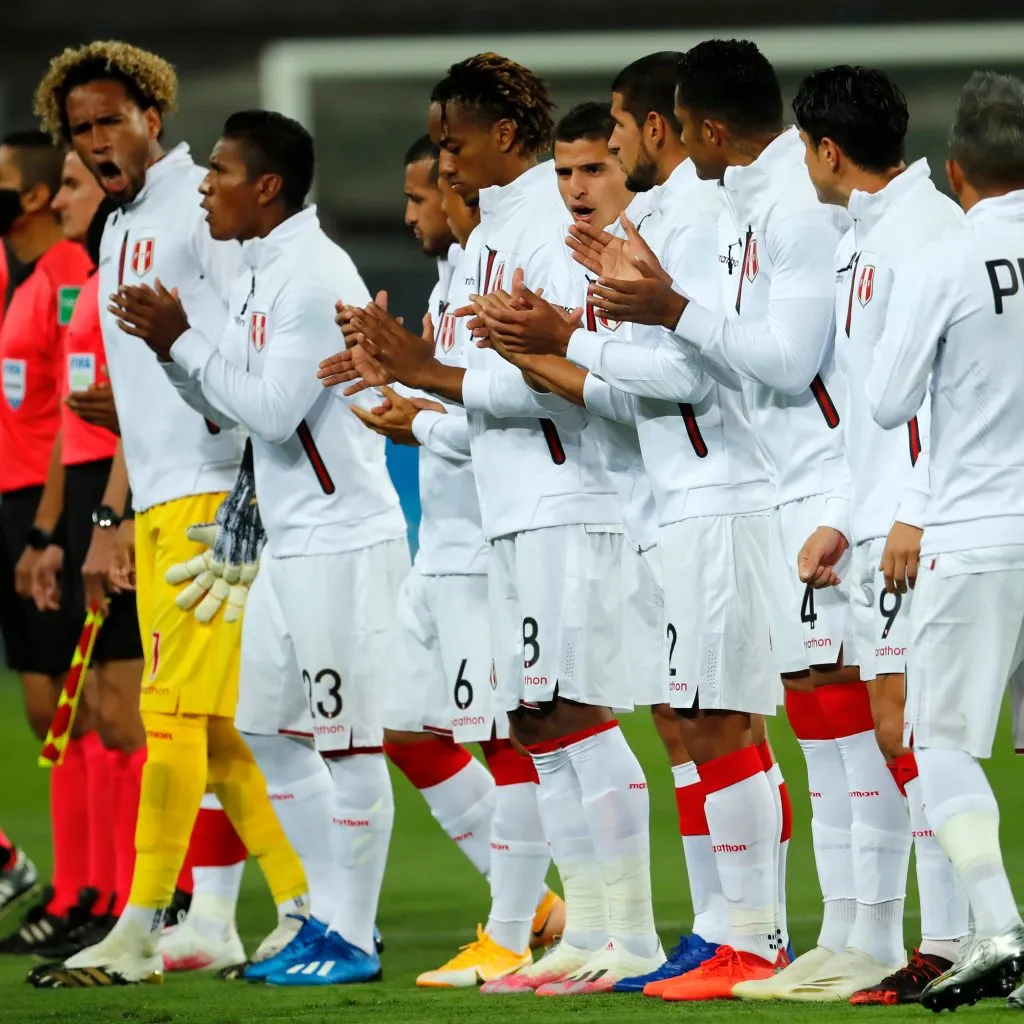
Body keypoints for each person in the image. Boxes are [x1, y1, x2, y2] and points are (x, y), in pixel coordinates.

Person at [581, 40, 906, 1000]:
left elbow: (787, 357)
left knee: (850, 721)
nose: (674, 146)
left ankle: (870, 938)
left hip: (818, 491)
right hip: (780, 490)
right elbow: (723, 352)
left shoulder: (793, 208)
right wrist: (655, 299)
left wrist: (668, 307)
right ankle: (840, 937)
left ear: (711, 131)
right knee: (819, 719)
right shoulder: (740, 205)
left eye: (681, 129)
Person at [472, 54, 794, 1001]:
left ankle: (756, 935)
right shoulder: (661, 222)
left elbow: (688, 375)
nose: (594, 160)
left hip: (716, 498)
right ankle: (714, 931)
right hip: (670, 505)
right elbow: (633, 384)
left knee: (727, 718)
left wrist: (560, 344)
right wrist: (556, 351)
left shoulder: (691, 221)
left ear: (657, 129)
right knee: (693, 720)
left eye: (609, 136)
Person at [342, 52, 664, 995]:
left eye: (456, 140)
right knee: (535, 719)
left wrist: (424, 372)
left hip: (569, 500)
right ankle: (587, 931)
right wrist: (418, 377)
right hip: (512, 508)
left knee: (574, 715)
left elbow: (562, 387)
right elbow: (499, 385)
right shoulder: (494, 235)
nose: (446, 160)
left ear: (507, 136)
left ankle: (630, 933)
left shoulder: (544, 232)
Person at [30, 42, 308, 987]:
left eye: (112, 120)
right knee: (218, 730)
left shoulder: (202, 205)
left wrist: (243, 492)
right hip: (154, 496)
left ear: (154, 113)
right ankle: (307, 911)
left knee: (173, 718)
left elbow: (246, 349)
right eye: (80, 131)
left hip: (211, 491)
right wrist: (110, 525)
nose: (98, 141)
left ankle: (141, 926)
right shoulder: (116, 230)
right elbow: (136, 394)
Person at [113, 108, 407, 986]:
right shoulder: (257, 271)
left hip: (341, 538)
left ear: (266, 187)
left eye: (222, 171)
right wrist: (171, 354)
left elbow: (275, 412)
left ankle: (351, 936)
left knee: (348, 744)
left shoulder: (311, 276)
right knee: (267, 730)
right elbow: (231, 406)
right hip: (291, 536)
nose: (205, 184)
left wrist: (183, 342)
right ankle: (322, 918)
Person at [342, 135, 563, 989]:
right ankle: (537, 909)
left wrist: (420, 415)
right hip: (439, 547)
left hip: (484, 551)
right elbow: (445, 400)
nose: (407, 214)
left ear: (455, 188)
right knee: (403, 730)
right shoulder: (450, 281)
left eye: (417, 196)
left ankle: (510, 930)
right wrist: (382, 384)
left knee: (509, 739)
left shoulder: (491, 282)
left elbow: (503, 415)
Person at [793, 64, 970, 1005]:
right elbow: (860, 407)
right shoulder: (860, 238)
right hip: (872, 521)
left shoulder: (926, 237)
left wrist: (912, 507)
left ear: (827, 149)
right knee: (899, 728)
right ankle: (941, 937)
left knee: (916, 729)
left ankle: (955, 938)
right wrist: (841, 512)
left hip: (923, 524)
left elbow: (953, 390)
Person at [863, 70, 1024, 1013]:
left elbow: (886, 401)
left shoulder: (947, 261)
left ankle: (1000, 927)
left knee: (943, 738)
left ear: (956, 171)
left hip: (975, 531)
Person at [0, 129, 94, 955]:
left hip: (47, 503)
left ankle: (105, 889)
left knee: (81, 705)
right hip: (14, 505)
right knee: (49, 707)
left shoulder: (70, 275)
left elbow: (76, 409)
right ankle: (71, 886)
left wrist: (46, 527)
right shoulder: (14, 273)